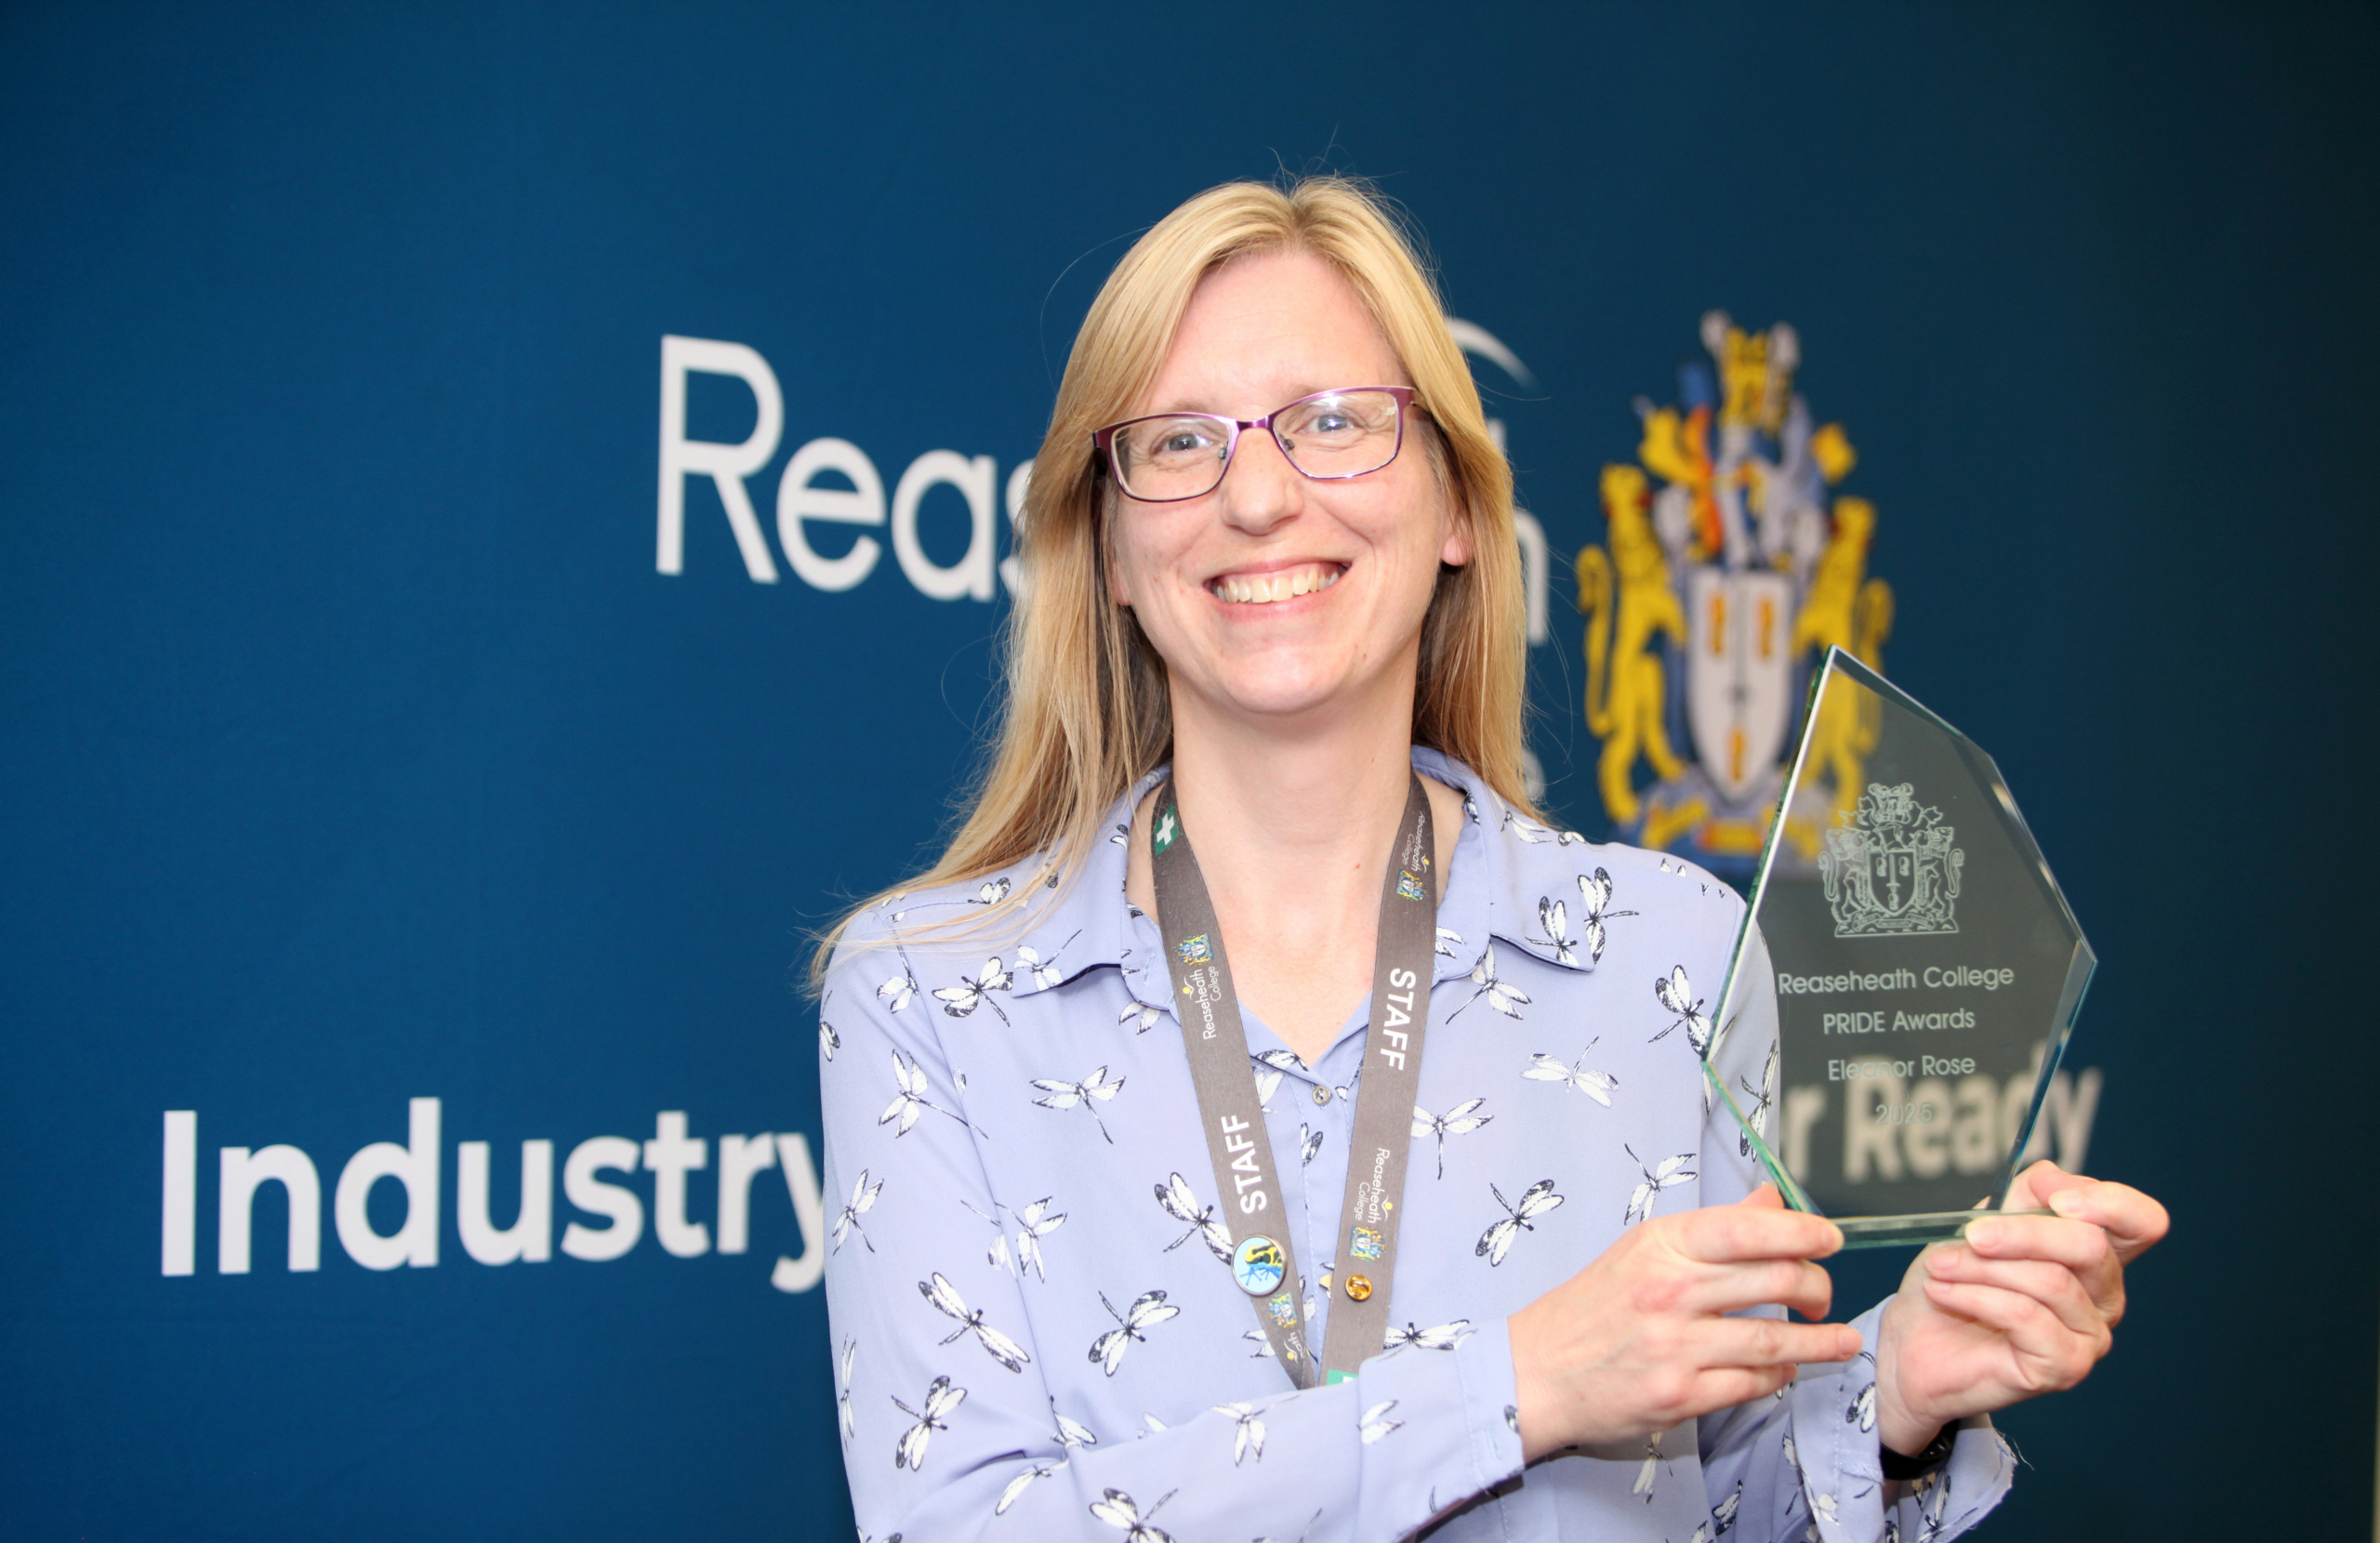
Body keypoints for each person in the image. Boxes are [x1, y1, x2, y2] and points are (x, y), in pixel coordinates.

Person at [814, 177, 2165, 1543]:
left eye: (1334, 422)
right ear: (1110, 548)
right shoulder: (933, 1001)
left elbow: (1727, 1507)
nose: (1260, 495)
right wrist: (1513, 1388)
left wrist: (1897, 1395)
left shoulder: (1672, 955)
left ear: (1459, 508)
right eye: (1178, 443)